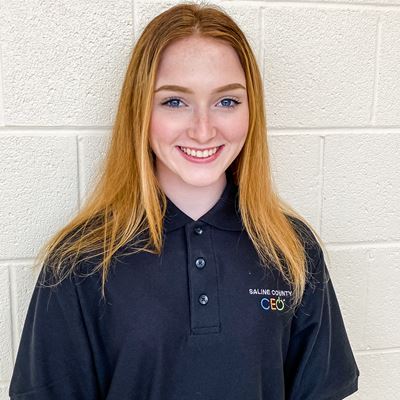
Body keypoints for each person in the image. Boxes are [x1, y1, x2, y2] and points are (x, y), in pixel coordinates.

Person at [9, 2, 360, 399]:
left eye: (227, 101)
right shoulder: (79, 263)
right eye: (174, 102)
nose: (203, 130)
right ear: (140, 111)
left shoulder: (292, 250)